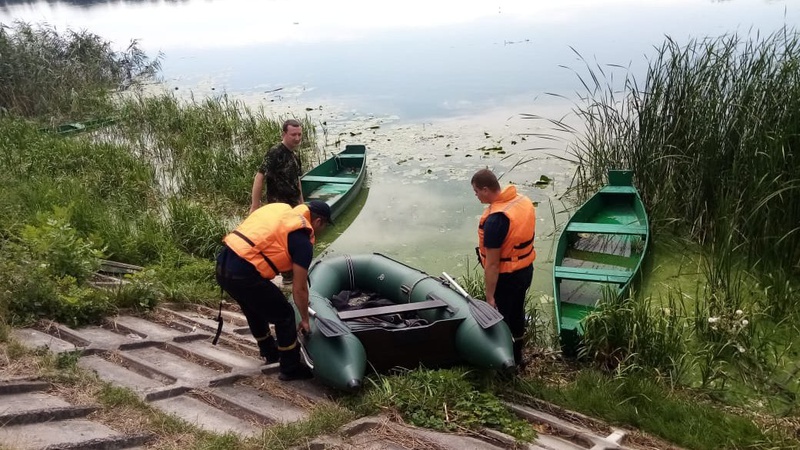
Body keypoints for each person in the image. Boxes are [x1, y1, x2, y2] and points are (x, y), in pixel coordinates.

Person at [215, 200, 333, 381]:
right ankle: (290, 367)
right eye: (324, 226)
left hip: (223, 265)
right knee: (284, 315)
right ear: (318, 222)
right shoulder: (302, 239)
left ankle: (270, 352)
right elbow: (299, 288)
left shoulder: (280, 209)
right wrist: (305, 319)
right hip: (244, 273)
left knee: (253, 307)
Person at [471, 168, 536, 369]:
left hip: (507, 277)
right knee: (517, 313)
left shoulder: (496, 220)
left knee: (502, 320)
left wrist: (489, 297)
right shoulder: (521, 201)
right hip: (525, 270)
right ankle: (518, 359)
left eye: (476, 192)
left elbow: (492, 264)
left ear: (485, 189)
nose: (476, 196)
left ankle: (504, 366)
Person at [250, 118, 306, 286]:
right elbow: (259, 177)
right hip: (277, 206)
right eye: (293, 135)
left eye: (299, 135)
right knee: (282, 242)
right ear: (284, 134)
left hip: (293, 206)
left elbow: (297, 181)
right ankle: (287, 277)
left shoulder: (295, 156)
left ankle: (294, 274)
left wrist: (302, 204)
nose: (297, 138)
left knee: (296, 240)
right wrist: (255, 205)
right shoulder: (275, 152)